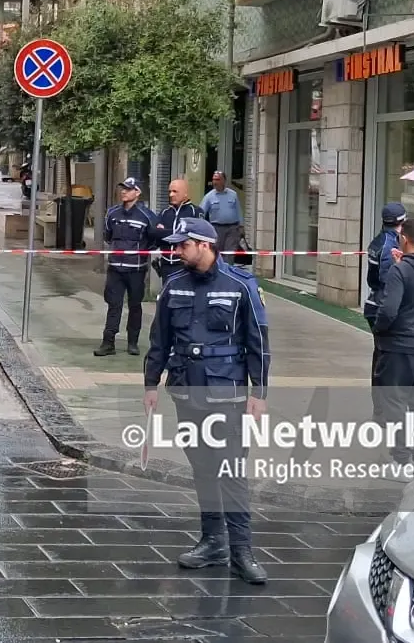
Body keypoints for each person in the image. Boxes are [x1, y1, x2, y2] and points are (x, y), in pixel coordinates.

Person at [142, 218, 269, 584]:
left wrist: (259, 392)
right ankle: (213, 541)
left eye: (183, 245)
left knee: (231, 471)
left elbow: (258, 342)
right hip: (185, 389)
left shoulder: (240, 285)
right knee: (202, 468)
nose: (176, 250)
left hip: (226, 393)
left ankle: (242, 551)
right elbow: (159, 339)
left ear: (205, 245)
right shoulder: (174, 285)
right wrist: (151, 383)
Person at [369, 211, 414, 474]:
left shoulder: (400, 271)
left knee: (396, 403)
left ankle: (401, 461)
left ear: (404, 238)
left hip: (399, 346)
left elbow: (388, 310)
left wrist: (380, 330)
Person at [97, 178, 159, 357]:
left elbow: (153, 239)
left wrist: (140, 252)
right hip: (115, 268)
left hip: (136, 270)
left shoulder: (146, 216)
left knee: (135, 305)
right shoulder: (112, 213)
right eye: (122, 188)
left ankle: (133, 342)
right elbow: (108, 236)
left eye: (129, 189)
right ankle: (108, 342)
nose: (124, 192)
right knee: (113, 305)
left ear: (137, 193)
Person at [151, 179, 204, 282]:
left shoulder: (196, 212)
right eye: (169, 191)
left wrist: (165, 232)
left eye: (175, 191)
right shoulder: (164, 212)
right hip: (166, 264)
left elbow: (195, 237)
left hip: (185, 265)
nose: (171, 194)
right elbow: (155, 234)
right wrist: (177, 233)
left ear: (185, 193)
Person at [363, 202, 407, 324]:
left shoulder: (379, 241)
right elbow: (389, 281)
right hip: (382, 305)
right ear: (402, 222)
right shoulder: (390, 246)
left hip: (376, 301)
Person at [200, 171, 244, 254]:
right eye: (213, 180)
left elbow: (239, 211)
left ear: (224, 181)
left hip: (232, 229)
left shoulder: (233, 194)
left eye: (217, 180)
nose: (215, 182)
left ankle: (228, 267)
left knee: (230, 253)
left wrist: (241, 226)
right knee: (217, 253)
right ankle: (219, 267)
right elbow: (201, 213)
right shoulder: (209, 196)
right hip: (216, 229)